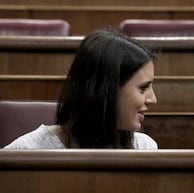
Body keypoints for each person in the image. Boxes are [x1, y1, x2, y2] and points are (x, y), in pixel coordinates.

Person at [4, 28, 158, 149]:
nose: (153, 99)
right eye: (143, 88)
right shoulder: (27, 150)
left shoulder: (145, 147)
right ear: (106, 90)